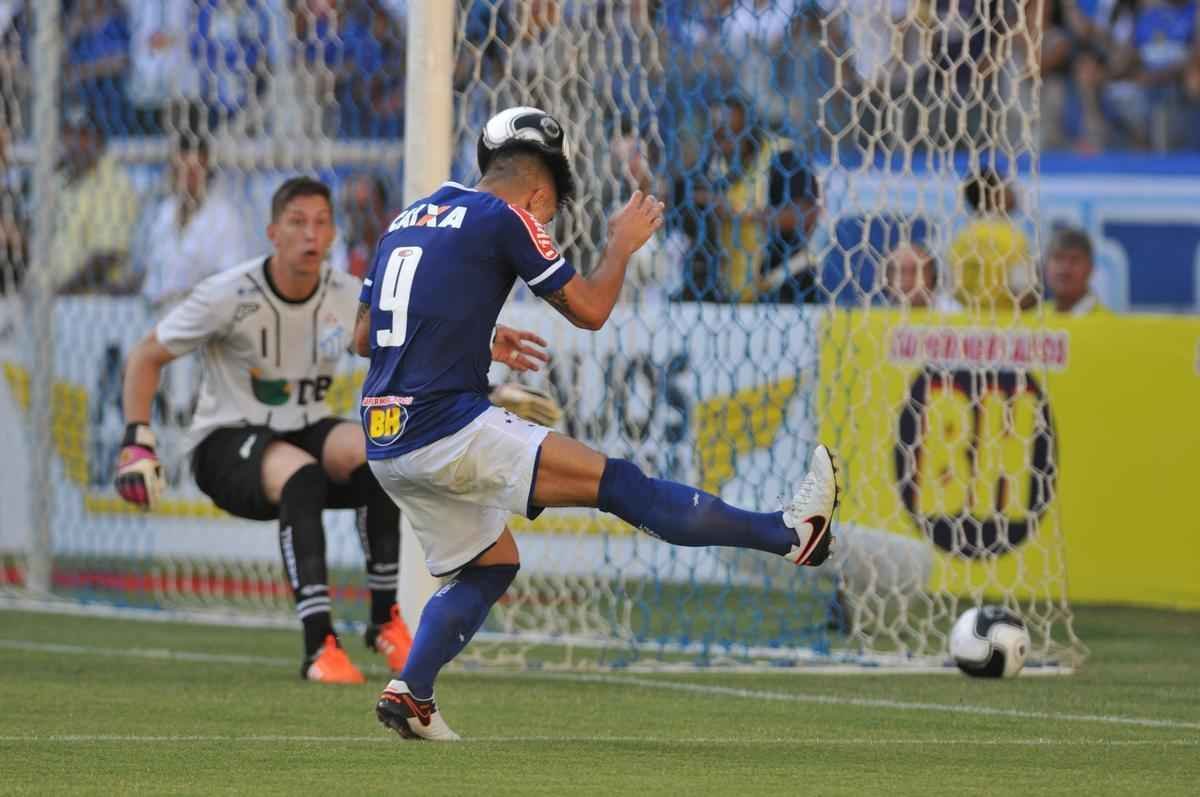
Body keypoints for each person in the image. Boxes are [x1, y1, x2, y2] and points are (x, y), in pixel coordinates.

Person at [358, 107, 839, 741]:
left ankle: (411, 694)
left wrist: (481, 336)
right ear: (536, 190)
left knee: (492, 563)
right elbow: (588, 310)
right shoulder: (507, 216)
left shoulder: (408, 217)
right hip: (447, 429)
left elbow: (367, 336)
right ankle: (789, 534)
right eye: (551, 208)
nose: (548, 219)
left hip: (386, 441)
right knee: (622, 486)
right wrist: (620, 245)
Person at [113, 175, 556, 683]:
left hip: (302, 429)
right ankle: (319, 644)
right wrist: (136, 440)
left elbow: (416, 347)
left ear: (332, 236)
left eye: (322, 224)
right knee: (301, 474)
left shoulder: (347, 296)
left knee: (382, 452)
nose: (311, 235)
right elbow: (148, 354)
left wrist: (486, 358)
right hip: (226, 440)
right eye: (297, 223)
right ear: (272, 233)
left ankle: (384, 621)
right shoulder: (227, 294)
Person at [137, 132, 255, 309]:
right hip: (160, 317)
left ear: (207, 172)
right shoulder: (164, 213)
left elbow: (233, 281)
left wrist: (185, 295)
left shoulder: (225, 217)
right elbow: (153, 277)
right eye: (180, 169)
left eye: (193, 171)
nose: (186, 178)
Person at [946, 169, 1036, 314]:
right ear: (994, 195)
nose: (1014, 193)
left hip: (969, 323)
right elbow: (1022, 293)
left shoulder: (961, 239)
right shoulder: (1013, 238)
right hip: (1005, 324)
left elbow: (953, 289)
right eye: (1008, 187)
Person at [1043, 226, 1107, 315]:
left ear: (1090, 268)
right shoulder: (1031, 322)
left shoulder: (1108, 324)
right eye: (1058, 258)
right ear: (1045, 266)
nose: (1065, 268)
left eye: (1074, 260)